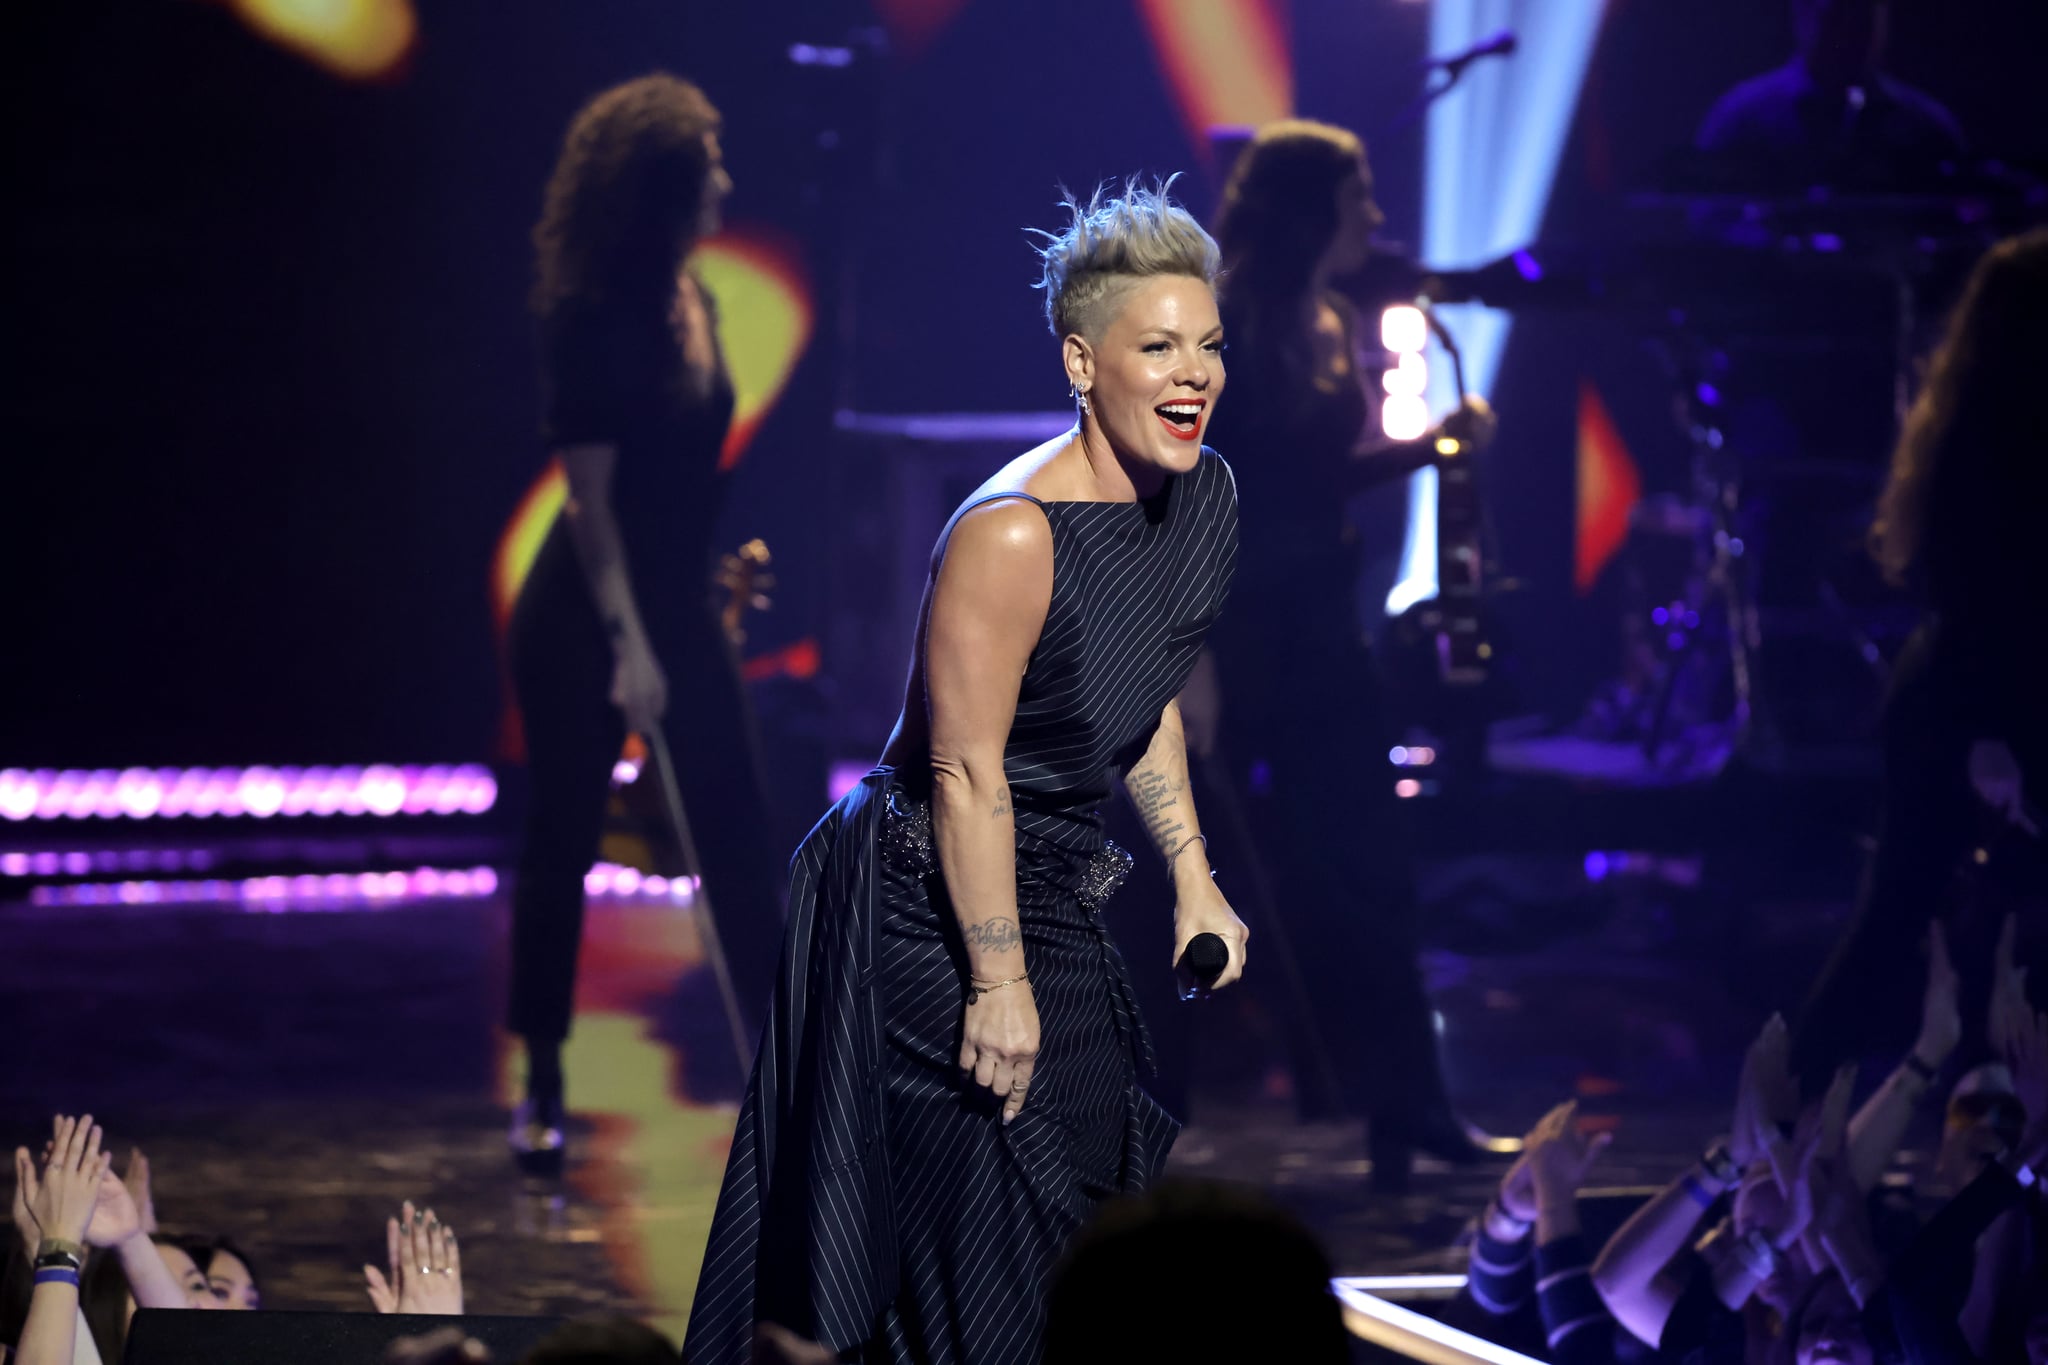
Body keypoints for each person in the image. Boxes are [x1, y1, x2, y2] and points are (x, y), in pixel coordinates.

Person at [683, 178, 1248, 1364]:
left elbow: (1140, 705)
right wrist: (995, 980)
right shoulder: (1008, 533)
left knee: (1083, 1171)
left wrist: (1192, 877)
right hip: (921, 895)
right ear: (1081, 365)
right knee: (988, 1205)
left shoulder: (1204, 503)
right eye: (1157, 347)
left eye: (1207, 345)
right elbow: (962, 771)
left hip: (1053, 878)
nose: (1193, 373)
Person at [1197, 117, 1498, 1189]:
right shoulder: (1220, 323)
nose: (1374, 214)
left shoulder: (1326, 318)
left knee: (1369, 866)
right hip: (1240, 632)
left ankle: (1405, 1106)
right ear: (1311, 209)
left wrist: (1428, 448)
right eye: (1357, 194)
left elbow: (1314, 479)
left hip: (1322, 627)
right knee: (1248, 875)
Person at [507, 73, 787, 1167]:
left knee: (735, 825)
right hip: (585, 606)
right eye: (709, 158)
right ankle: (542, 1075)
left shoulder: (693, 294)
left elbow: (680, 478)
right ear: (669, 184)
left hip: (670, 591)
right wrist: (628, 644)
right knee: (563, 839)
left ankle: (784, 1060)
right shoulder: (587, 312)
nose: (726, 174)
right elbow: (588, 505)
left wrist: (694, 603)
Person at [1792, 229, 2048, 1090]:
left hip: (1987, 694)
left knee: (1908, 909)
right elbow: (1969, 590)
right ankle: (1776, 1117)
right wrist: (1987, 735)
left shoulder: (1998, 427)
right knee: (1897, 911)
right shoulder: (1987, 443)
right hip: (1970, 701)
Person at [1694, 0, 1964, 193]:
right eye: (1836, 16)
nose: (1849, 34)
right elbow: (1704, 220)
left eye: (1861, 17)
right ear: (1802, 13)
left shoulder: (1925, 126)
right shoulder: (1742, 118)